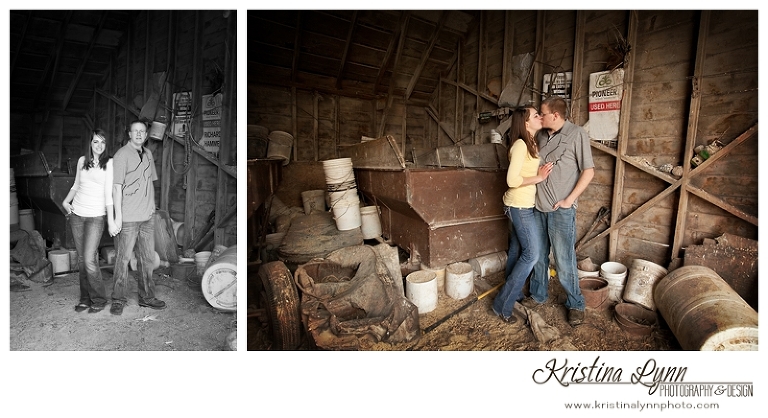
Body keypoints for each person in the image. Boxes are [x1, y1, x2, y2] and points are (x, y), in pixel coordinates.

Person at [524, 96, 595, 326]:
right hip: (538, 207)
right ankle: (538, 295)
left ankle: (575, 304)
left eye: (542, 113)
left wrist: (569, 200)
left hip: (560, 211)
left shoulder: (577, 134)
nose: (539, 117)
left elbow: (588, 171)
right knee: (538, 255)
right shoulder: (541, 135)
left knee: (564, 260)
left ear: (555, 115)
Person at [491, 106, 553, 323]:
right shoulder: (519, 145)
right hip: (518, 206)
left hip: (524, 205)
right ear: (526, 122)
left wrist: (538, 173)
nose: (540, 117)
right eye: (536, 115)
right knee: (532, 255)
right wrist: (539, 178)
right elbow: (511, 180)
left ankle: (514, 293)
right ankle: (502, 304)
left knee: (518, 250)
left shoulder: (532, 143)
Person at [109, 120, 166, 315]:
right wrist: (117, 217)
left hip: (147, 217)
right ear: (129, 134)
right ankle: (118, 299)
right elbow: (116, 188)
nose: (140, 134)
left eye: (142, 131)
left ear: (146, 134)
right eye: (136, 131)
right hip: (128, 218)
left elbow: (150, 183)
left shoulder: (148, 154)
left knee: (146, 259)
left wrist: (152, 208)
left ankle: (147, 297)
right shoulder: (121, 156)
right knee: (123, 259)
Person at [62, 129, 117, 313]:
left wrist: (111, 221)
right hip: (77, 214)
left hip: (95, 217)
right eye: (95, 142)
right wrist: (65, 201)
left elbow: (109, 195)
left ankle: (99, 299)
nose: (99, 145)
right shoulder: (81, 161)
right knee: (81, 259)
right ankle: (85, 298)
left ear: (106, 145)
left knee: (89, 259)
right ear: (90, 143)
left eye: (102, 142)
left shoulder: (109, 163)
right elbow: (76, 185)